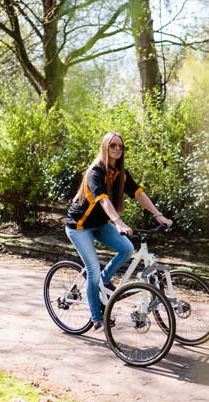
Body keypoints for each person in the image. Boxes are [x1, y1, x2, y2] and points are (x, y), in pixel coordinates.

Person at [66, 131, 173, 332]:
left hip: (99, 224)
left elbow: (139, 193)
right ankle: (97, 317)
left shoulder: (120, 173)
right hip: (79, 226)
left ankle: (103, 283)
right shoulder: (96, 172)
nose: (117, 149)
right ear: (105, 147)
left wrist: (158, 214)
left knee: (126, 248)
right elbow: (104, 200)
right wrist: (118, 222)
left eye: (120, 146)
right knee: (93, 269)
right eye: (113, 145)